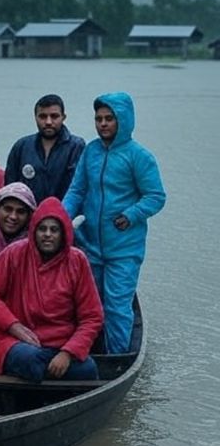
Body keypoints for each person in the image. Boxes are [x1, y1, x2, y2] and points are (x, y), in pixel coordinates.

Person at [62, 92, 166, 354]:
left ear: (123, 120)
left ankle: (116, 358)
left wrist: (131, 214)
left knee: (117, 306)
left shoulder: (139, 156)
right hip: (90, 244)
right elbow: (77, 190)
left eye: (109, 118)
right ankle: (88, 352)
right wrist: (61, 217)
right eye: (98, 119)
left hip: (124, 248)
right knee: (88, 303)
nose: (103, 124)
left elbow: (156, 197)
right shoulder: (91, 151)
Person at [0, 198, 103, 382]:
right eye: (42, 229)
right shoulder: (15, 253)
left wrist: (68, 353)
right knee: (30, 359)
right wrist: (13, 326)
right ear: (34, 231)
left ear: (64, 233)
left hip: (60, 344)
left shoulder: (77, 261)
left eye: (54, 230)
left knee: (88, 369)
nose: (48, 235)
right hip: (15, 341)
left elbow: (92, 317)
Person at [5, 93, 87, 203]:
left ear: (63, 117)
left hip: (63, 215)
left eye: (54, 116)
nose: (48, 122)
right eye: (43, 116)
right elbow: (10, 188)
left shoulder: (76, 147)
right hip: (28, 216)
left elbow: (80, 189)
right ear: (35, 117)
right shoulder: (21, 147)